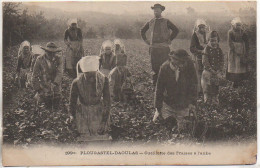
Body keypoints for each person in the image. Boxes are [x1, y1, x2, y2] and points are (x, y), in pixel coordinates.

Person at [153, 49, 197, 134]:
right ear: (173, 60)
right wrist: (158, 108)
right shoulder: (164, 68)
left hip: (184, 105)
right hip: (168, 104)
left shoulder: (190, 66)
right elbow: (159, 88)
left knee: (184, 130)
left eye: (184, 62)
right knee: (160, 126)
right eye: (180, 62)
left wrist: (192, 103)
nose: (183, 65)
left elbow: (194, 86)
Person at [69, 56, 111, 141]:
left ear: (97, 71)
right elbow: (72, 102)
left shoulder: (103, 80)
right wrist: (71, 116)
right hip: (83, 112)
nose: (91, 78)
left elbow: (107, 102)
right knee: (84, 136)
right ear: (84, 73)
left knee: (100, 134)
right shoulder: (77, 82)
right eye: (88, 75)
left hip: (98, 111)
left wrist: (104, 121)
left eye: (93, 75)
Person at [141, 3, 179, 85]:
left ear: (161, 11)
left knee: (165, 66)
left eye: (157, 10)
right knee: (154, 67)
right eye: (154, 10)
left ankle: (165, 84)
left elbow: (176, 30)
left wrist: (170, 39)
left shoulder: (166, 21)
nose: (156, 12)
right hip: (153, 48)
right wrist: (146, 40)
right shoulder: (151, 22)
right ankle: (155, 85)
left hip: (164, 48)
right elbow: (142, 31)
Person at [32, 42, 63, 109]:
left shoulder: (59, 59)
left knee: (56, 99)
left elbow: (60, 73)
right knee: (43, 103)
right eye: (49, 52)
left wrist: (55, 83)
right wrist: (38, 89)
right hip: (44, 83)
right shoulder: (39, 59)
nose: (51, 54)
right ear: (45, 51)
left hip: (55, 84)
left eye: (53, 52)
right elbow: (35, 75)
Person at [201, 31, 224, 104]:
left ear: (218, 41)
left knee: (216, 86)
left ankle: (215, 101)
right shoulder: (206, 49)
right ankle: (207, 101)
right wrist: (210, 69)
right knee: (207, 86)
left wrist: (220, 69)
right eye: (211, 41)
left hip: (216, 71)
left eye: (215, 40)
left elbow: (222, 60)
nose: (213, 42)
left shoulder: (219, 50)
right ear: (208, 40)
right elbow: (205, 61)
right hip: (208, 70)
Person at [226, 17, 249, 88]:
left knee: (240, 65)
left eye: (239, 25)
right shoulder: (230, 32)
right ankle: (234, 81)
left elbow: (246, 41)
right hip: (233, 51)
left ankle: (240, 80)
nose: (238, 27)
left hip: (242, 49)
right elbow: (229, 42)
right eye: (237, 25)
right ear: (233, 25)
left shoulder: (243, 32)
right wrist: (234, 49)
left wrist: (246, 51)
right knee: (234, 65)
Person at [190, 19, 210, 94]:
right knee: (199, 72)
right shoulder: (195, 35)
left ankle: (207, 88)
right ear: (197, 28)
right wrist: (200, 51)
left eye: (203, 27)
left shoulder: (208, 34)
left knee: (207, 71)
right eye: (200, 27)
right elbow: (192, 48)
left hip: (207, 56)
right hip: (198, 56)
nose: (202, 29)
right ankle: (199, 90)